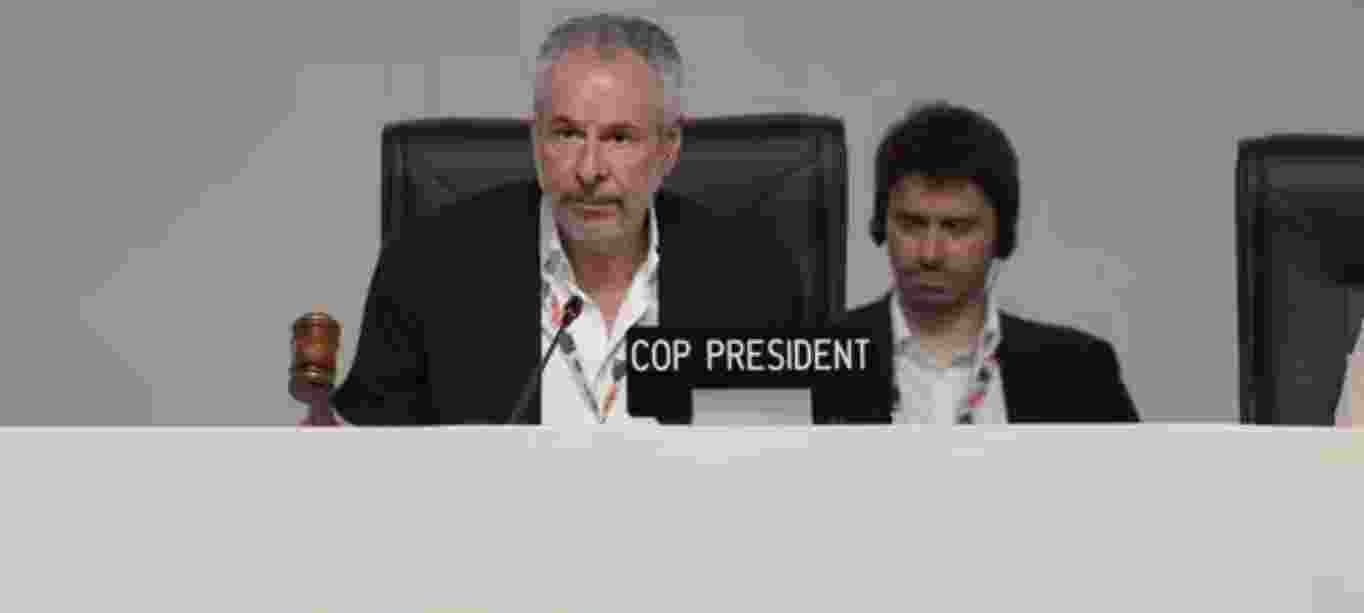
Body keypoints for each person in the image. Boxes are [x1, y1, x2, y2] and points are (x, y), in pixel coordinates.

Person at [329, 14, 803, 426]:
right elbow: (369, 464)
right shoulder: (426, 270)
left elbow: (795, 466)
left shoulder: (757, 283)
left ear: (669, 149)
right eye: (568, 134)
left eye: (619, 138)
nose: (590, 169)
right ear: (536, 142)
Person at [813, 101, 1140, 425]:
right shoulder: (814, 359)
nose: (930, 254)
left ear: (1002, 237)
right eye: (911, 224)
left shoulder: (1079, 371)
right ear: (880, 226)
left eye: (956, 228)